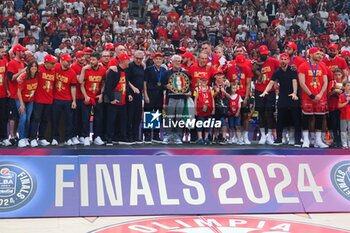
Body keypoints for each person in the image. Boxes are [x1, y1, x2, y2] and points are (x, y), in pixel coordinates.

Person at [260, 53, 301, 146]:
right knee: (280, 119)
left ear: (288, 60)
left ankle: (297, 140)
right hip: (282, 97)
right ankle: (279, 139)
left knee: (296, 119)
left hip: (293, 97)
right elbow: (271, 82)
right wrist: (265, 91)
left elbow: (294, 81)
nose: (283, 61)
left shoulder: (292, 70)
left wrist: (294, 92)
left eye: (285, 59)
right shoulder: (277, 71)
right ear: (279, 60)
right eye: (282, 59)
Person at [298, 47, 329, 148]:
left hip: (320, 97)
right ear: (311, 55)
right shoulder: (303, 66)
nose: (320, 56)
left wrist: (320, 94)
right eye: (318, 54)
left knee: (320, 118)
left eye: (321, 54)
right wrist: (311, 95)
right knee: (306, 118)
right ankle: (306, 140)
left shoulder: (322, 66)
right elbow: (302, 83)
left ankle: (318, 140)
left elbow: (325, 82)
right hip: (307, 97)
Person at [104, 53, 133, 146]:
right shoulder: (114, 71)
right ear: (123, 61)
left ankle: (122, 137)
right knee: (111, 120)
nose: (129, 62)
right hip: (114, 98)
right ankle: (109, 138)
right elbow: (108, 87)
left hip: (123, 100)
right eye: (128, 60)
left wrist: (128, 94)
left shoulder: (127, 71)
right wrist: (112, 99)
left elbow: (126, 84)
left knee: (123, 120)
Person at [253, 45, 280, 145]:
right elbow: (252, 74)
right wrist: (255, 70)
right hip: (259, 89)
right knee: (261, 113)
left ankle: (269, 136)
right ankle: (263, 136)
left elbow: (280, 70)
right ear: (259, 53)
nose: (264, 55)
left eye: (265, 54)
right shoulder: (255, 63)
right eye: (262, 54)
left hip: (270, 90)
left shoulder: (273, 61)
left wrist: (277, 81)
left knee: (269, 113)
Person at [79, 52, 106, 146]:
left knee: (99, 118)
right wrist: (86, 96)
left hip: (97, 97)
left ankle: (97, 137)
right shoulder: (86, 69)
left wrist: (102, 94)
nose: (91, 61)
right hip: (86, 97)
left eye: (94, 60)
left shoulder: (103, 70)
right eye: (91, 59)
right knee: (85, 118)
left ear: (98, 61)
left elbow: (103, 83)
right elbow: (81, 83)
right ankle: (85, 137)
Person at [29, 54, 57, 147]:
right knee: (36, 119)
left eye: (54, 63)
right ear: (46, 62)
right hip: (38, 99)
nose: (53, 65)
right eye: (52, 63)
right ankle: (32, 138)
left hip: (49, 99)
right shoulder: (39, 68)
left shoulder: (54, 70)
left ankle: (41, 138)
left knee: (45, 120)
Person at [163, 54, 191, 144]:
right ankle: (168, 136)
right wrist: (166, 86)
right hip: (171, 98)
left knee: (179, 118)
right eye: (176, 61)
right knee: (169, 118)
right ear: (172, 62)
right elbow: (162, 85)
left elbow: (188, 85)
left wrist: (189, 91)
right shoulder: (167, 73)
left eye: (179, 61)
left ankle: (178, 137)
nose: (178, 63)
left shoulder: (185, 73)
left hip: (181, 98)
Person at [226, 54, 253, 144]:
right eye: (239, 64)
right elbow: (229, 83)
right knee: (233, 116)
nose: (241, 66)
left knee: (245, 116)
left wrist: (246, 97)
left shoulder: (247, 68)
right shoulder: (230, 69)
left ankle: (245, 136)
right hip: (233, 96)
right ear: (236, 62)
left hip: (243, 95)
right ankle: (233, 136)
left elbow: (248, 84)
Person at [51, 53, 77, 146]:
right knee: (55, 119)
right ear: (62, 60)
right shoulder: (55, 67)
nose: (69, 63)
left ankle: (68, 138)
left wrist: (74, 101)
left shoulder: (72, 72)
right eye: (67, 61)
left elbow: (73, 87)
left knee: (69, 120)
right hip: (56, 98)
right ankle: (55, 138)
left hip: (67, 99)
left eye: (70, 61)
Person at [143, 52, 167, 143]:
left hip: (160, 94)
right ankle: (147, 135)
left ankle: (156, 135)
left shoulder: (163, 70)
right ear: (153, 60)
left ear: (162, 60)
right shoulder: (148, 70)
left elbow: (165, 84)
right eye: (156, 59)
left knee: (158, 114)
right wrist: (145, 94)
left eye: (160, 59)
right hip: (150, 93)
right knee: (149, 114)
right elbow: (144, 83)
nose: (158, 60)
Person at [6, 44, 27, 146]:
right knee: (13, 117)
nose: (23, 53)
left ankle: (16, 135)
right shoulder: (12, 63)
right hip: (13, 94)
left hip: (20, 94)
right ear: (17, 52)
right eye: (22, 51)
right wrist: (22, 71)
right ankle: (12, 136)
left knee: (18, 117)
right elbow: (11, 78)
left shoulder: (22, 62)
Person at [16, 60, 39, 147]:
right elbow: (18, 92)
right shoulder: (24, 76)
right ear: (29, 68)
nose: (34, 67)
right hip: (20, 99)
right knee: (23, 118)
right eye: (32, 66)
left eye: (35, 66)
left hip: (30, 100)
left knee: (28, 119)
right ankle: (21, 138)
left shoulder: (37, 75)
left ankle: (26, 137)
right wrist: (21, 104)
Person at [127, 50, 145, 144]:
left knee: (138, 116)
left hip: (139, 94)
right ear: (134, 57)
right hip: (131, 94)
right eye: (137, 58)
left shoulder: (142, 67)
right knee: (130, 115)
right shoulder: (130, 66)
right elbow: (126, 79)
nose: (138, 60)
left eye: (140, 59)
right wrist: (132, 88)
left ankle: (135, 135)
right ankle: (129, 135)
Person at [194, 73, 214, 145]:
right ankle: (200, 138)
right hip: (200, 110)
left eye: (205, 80)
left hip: (209, 109)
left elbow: (212, 98)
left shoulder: (211, 89)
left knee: (207, 124)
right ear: (200, 81)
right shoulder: (196, 89)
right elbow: (195, 99)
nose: (204, 82)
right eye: (202, 80)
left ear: (207, 81)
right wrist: (195, 109)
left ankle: (206, 138)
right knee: (200, 123)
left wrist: (213, 109)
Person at [71, 50, 86, 145]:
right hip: (75, 96)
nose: (81, 58)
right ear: (76, 58)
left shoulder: (84, 66)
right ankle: (73, 136)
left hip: (83, 96)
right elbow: (80, 81)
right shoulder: (74, 67)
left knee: (82, 117)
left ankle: (81, 135)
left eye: (82, 56)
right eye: (79, 57)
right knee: (74, 118)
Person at [213, 69, 230, 144]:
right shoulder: (213, 85)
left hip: (225, 106)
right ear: (215, 76)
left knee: (223, 122)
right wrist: (216, 92)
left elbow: (230, 97)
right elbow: (211, 96)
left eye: (221, 75)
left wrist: (224, 92)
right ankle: (215, 137)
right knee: (216, 122)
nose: (219, 77)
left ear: (223, 76)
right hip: (216, 105)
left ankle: (224, 137)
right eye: (218, 75)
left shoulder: (227, 85)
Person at [328, 68, 343, 148]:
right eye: (336, 75)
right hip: (332, 107)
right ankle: (335, 141)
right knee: (333, 125)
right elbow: (328, 94)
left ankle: (341, 141)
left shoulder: (344, 83)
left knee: (341, 126)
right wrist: (335, 91)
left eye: (339, 75)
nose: (337, 76)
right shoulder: (331, 83)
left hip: (342, 108)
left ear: (342, 75)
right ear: (333, 75)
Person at [0, 46, 9, 146]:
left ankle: (3, 137)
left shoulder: (5, 60)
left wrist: (7, 90)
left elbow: (6, 78)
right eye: (2, 52)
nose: (3, 53)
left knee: (3, 117)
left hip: (3, 94)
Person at [338, 80, 350, 148]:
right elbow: (339, 106)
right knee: (343, 131)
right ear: (344, 87)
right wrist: (347, 101)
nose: (349, 87)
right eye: (348, 85)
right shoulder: (342, 96)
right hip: (343, 116)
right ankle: (344, 144)